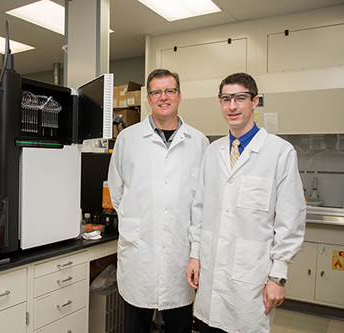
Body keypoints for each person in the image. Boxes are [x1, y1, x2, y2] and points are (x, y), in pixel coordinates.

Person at [186, 72, 306, 333]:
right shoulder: (212, 152)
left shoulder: (279, 152)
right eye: (226, 98)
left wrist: (278, 277)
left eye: (240, 98)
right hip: (211, 275)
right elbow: (200, 210)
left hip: (251, 281)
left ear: (255, 101)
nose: (232, 106)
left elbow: (290, 220)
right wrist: (195, 255)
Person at [108, 69, 209, 332]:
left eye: (169, 90)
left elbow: (202, 201)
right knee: (136, 325)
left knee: (180, 325)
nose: (163, 97)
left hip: (180, 254)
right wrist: (139, 219)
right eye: (156, 92)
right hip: (139, 251)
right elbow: (117, 192)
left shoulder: (199, 142)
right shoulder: (128, 139)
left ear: (179, 95)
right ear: (149, 98)